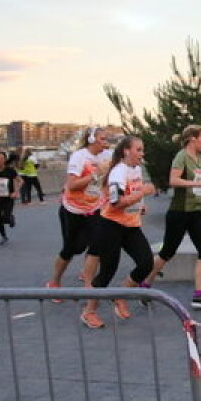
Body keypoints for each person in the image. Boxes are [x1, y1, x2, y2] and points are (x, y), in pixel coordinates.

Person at [144, 125, 201, 310]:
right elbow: (173, 180)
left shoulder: (200, 158)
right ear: (193, 139)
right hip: (179, 213)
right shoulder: (182, 156)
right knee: (167, 253)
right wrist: (199, 182)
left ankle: (199, 295)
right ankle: (145, 284)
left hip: (195, 212)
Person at [80, 136, 157, 328]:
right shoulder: (117, 172)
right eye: (138, 150)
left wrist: (140, 204)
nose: (142, 154)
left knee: (147, 262)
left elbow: (132, 195)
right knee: (108, 270)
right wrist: (142, 194)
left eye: (142, 149)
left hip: (130, 225)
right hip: (111, 225)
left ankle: (121, 295)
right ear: (126, 151)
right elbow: (117, 202)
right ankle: (89, 312)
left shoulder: (136, 169)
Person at [47, 127, 111, 297]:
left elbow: (106, 181)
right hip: (72, 209)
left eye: (107, 139)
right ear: (92, 140)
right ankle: (54, 281)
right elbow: (72, 185)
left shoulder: (107, 156)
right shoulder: (79, 156)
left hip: (94, 208)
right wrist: (97, 173)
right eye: (103, 139)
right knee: (71, 249)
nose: (106, 142)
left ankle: (89, 285)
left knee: (97, 245)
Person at [0, 151, 21, 246]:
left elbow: (21, 181)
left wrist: (15, 192)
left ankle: (10, 218)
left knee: (6, 218)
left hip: (8, 198)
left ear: (4, 160)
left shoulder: (10, 171)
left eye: (1, 158)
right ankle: (4, 236)